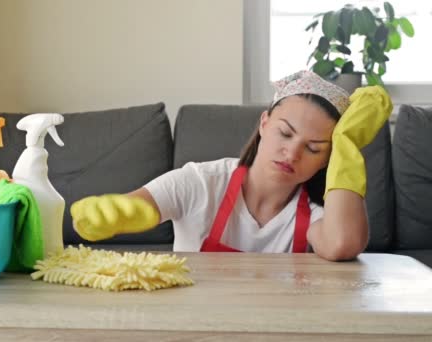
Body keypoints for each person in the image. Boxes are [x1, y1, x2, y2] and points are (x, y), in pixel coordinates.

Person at [70, 70, 393, 261]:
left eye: (313, 148)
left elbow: (341, 243)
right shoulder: (201, 182)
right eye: (284, 133)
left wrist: (347, 144)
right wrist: (117, 214)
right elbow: (139, 206)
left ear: (329, 160)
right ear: (264, 123)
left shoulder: (314, 216)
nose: (291, 154)